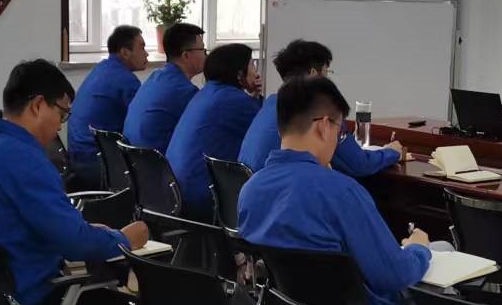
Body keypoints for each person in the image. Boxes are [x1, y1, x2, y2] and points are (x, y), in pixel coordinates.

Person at [0, 60, 148, 305]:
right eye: (62, 114)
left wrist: (83, 230)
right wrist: (125, 239)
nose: (60, 127)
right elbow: (75, 244)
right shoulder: (24, 159)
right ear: (38, 105)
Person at [238, 76, 431, 305]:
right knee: (440, 277)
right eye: (340, 132)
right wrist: (419, 248)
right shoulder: (342, 192)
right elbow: (394, 275)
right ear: (324, 126)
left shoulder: (250, 189)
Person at [238, 38, 404, 177]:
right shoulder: (319, 113)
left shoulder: (271, 103)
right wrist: (391, 152)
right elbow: (360, 164)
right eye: (326, 72)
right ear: (313, 73)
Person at [166, 42, 262, 217]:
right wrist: (255, 98)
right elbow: (265, 129)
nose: (256, 71)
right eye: (252, 64)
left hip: (176, 189)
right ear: (239, 73)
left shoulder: (206, 93)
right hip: (202, 195)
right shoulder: (235, 101)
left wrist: (253, 96)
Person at [66, 25, 148, 186]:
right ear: (125, 53)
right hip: (97, 164)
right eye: (142, 47)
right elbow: (143, 124)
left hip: (77, 158)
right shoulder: (126, 80)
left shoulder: (101, 69)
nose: (146, 53)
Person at [122, 21, 205, 150]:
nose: (206, 55)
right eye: (203, 50)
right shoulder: (184, 91)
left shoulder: (155, 77)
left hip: (132, 159)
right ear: (186, 55)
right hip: (156, 160)